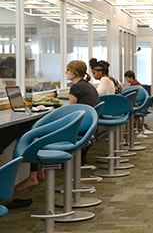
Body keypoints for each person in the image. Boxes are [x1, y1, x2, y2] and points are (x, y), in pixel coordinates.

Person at [16, 60, 99, 191]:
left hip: (77, 128)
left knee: (36, 136)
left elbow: (71, 109)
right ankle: (40, 172)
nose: (65, 73)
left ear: (75, 73)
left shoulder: (76, 87)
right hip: (87, 126)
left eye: (68, 70)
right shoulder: (87, 85)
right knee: (40, 133)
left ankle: (33, 176)